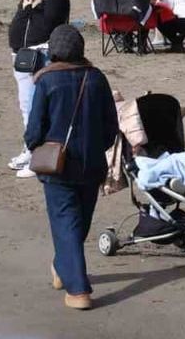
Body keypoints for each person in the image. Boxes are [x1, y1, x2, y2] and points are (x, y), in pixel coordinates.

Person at [24, 25, 119, 311]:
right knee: (78, 223)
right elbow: (110, 127)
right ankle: (62, 267)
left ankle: (78, 289)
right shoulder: (97, 77)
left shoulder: (46, 81)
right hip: (92, 163)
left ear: (52, 51)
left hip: (58, 165)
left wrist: (35, 147)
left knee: (67, 223)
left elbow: (34, 129)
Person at [7, 0, 71, 178]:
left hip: (39, 56)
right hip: (27, 56)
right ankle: (30, 149)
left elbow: (44, 24)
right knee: (28, 106)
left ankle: (38, 156)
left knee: (36, 108)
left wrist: (28, 9)